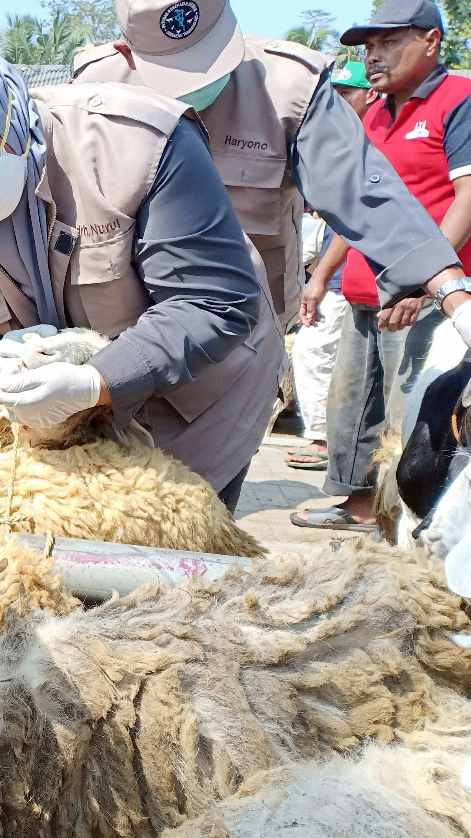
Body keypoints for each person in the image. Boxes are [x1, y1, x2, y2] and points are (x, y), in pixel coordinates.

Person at [0, 29, 283, 510]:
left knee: (177, 552)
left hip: (195, 404)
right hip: (67, 436)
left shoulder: (135, 144)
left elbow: (213, 302)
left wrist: (94, 382)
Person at [72, 0, 471, 338]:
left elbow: (363, 193)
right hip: (120, 327)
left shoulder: (292, 87)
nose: (199, 80)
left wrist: (452, 293)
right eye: (175, 69)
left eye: (209, 59)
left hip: (240, 333)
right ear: (127, 52)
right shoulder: (91, 91)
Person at [294, 0, 471, 531]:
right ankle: (359, 508)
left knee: (409, 417)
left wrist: (427, 283)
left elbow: (467, 196)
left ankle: (405, 524)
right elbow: (356, 207)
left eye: (389, 42)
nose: (375, 56)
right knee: (351, 404)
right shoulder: (373, 112)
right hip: (364, 291)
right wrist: (322, 277)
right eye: (370, 47)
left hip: (427, 299)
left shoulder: (458, 100)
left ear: (432, 42)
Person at [287, 61, 378, 470]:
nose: (338, 102)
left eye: (347, 95)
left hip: (356, 275)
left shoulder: (372, 137)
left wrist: (320, 277)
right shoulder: (342, 137)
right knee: (326, 356)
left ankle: (324, 439)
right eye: (334, 95)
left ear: (369, 94)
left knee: (321, 353)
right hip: (343, 272)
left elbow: (354, 214)